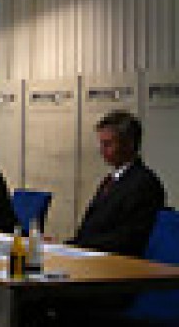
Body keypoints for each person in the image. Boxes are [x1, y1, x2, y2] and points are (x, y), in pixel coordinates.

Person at [68, 110, 165, 257]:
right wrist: (69, 245)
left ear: (129, 144)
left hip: (117, 261)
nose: (102, 150)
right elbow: (90, 227)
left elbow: (128, 238)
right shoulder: (111, 180)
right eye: (101, 144)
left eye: (107, 144)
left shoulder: (145, 184)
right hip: (91, 254)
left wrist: (79, 247)